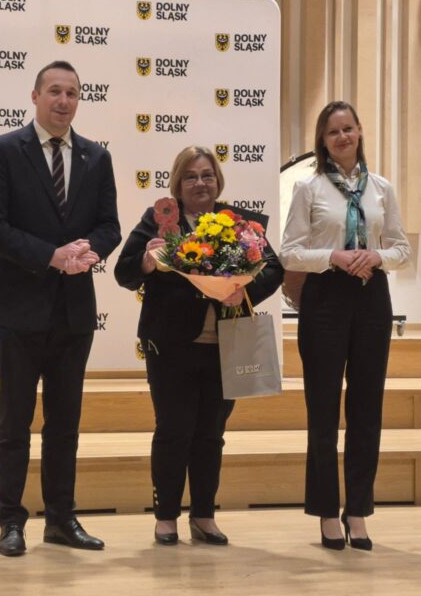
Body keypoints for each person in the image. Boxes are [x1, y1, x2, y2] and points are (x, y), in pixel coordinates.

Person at [0, 60, 121, 556]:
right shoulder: (3, 150)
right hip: (17, 310)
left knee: (64, 425)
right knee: (14, 423)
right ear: (34, 96)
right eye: (54, 91)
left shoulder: (97, 156)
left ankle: (61, 519)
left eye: (72, 93)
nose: (63, 100)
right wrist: (50, 256)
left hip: (73, 311)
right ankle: (10, 522)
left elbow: (110, 225)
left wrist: (88, 252)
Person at [114, 146, 283, 545]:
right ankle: (166, 517)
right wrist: (147, 261)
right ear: (177, 183)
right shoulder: (159, 219)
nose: (200, 183)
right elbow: (124, 272)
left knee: (211, 434)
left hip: (225, 345)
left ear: (217, 180)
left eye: (207, 175)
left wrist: (243, 290)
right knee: (173, 431)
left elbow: (274, 268)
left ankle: (204, 516)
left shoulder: (237, 222)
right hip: (171, 346)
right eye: (190, 176)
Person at [279, 101, 410, 551]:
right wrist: (333, 256)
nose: (342, 137)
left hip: (372, 296)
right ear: (323, 139)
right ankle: (325, 512)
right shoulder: (309, 187)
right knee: (323, 410)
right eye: (333, 131)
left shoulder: (381, 188)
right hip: (325, 298)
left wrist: (376, 256)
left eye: (348, 128)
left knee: (367, 409)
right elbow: (290, 251)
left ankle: (357, 511)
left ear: (359, 132)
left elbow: (401, 249)